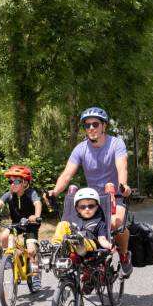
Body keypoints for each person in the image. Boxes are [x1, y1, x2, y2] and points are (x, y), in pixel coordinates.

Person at [49, 107, 133, 276]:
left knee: (115, 224)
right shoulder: (80, 148)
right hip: (91, 198)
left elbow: (122, 167)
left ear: (104, 126)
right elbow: (66, 175)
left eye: (95, 124)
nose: (91, 128)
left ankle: (124, 255)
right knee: (76, 229)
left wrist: (123, 186)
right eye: (87, 125)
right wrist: (54, 192)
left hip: (114, 194)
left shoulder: (116, 144)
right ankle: (88, 266)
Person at [0, 165, 42, 289]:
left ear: (25, 183)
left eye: (16, 181)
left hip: (30, 225)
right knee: (3, 236)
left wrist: (36, 216)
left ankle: (35, 275)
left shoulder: (31, 193)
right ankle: (8, 258)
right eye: (10, 181)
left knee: (30, 250)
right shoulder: (9, 195)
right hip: (16, 224)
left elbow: (38, 203)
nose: (12, 184)